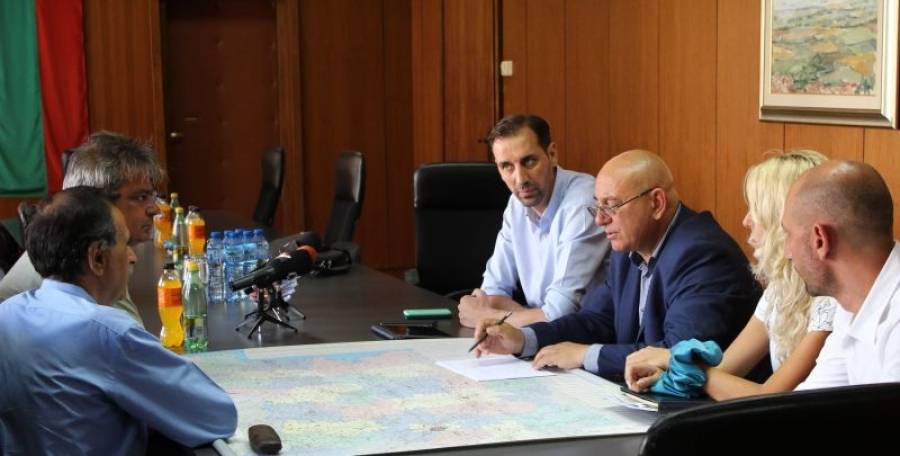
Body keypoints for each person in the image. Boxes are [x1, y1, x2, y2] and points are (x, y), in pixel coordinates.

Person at [473, 149, 760, 378]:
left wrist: (584, 355)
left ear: (657, 203)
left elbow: (677, 355)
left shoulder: (703, 255)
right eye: (597, 206)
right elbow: (596, 320)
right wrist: (523, 339)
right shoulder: (629, 246)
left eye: (611, 206)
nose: (600, 220)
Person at [0, 187, 236, 454]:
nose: (133, 256)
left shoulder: (6, 314)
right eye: (125, 244)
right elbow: (216, 416)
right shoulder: (108, 333)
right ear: (98, 258)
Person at [624, 150, 838, 400]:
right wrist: (668, 376)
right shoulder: (779, 290)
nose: (746, 221)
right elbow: (726, 369)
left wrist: (674, 359)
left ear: (781, 217)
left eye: (755, 209)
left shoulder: (830, 300)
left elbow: (770, 397)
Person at [458, 114, 610, 328]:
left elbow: (558, 315)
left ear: (552, 154)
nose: (520, 179)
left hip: (589, 337)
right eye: (507, 166)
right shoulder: (516, 204)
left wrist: (488, 318)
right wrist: (524, 318)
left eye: (529, 161)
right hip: (545, 337)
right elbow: (491, 294)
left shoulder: (583, 203)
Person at [0, 131, 163, 326]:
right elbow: (130, 339)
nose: (155, 209)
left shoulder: (87, 248)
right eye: (141, 197)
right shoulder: (82, 267)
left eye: (152, 196)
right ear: (97, 202)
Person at [782, 160, 900, 388]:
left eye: (788, 235)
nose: (787, 253)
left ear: (820, 240)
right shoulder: (851, 303)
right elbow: (812, 401)